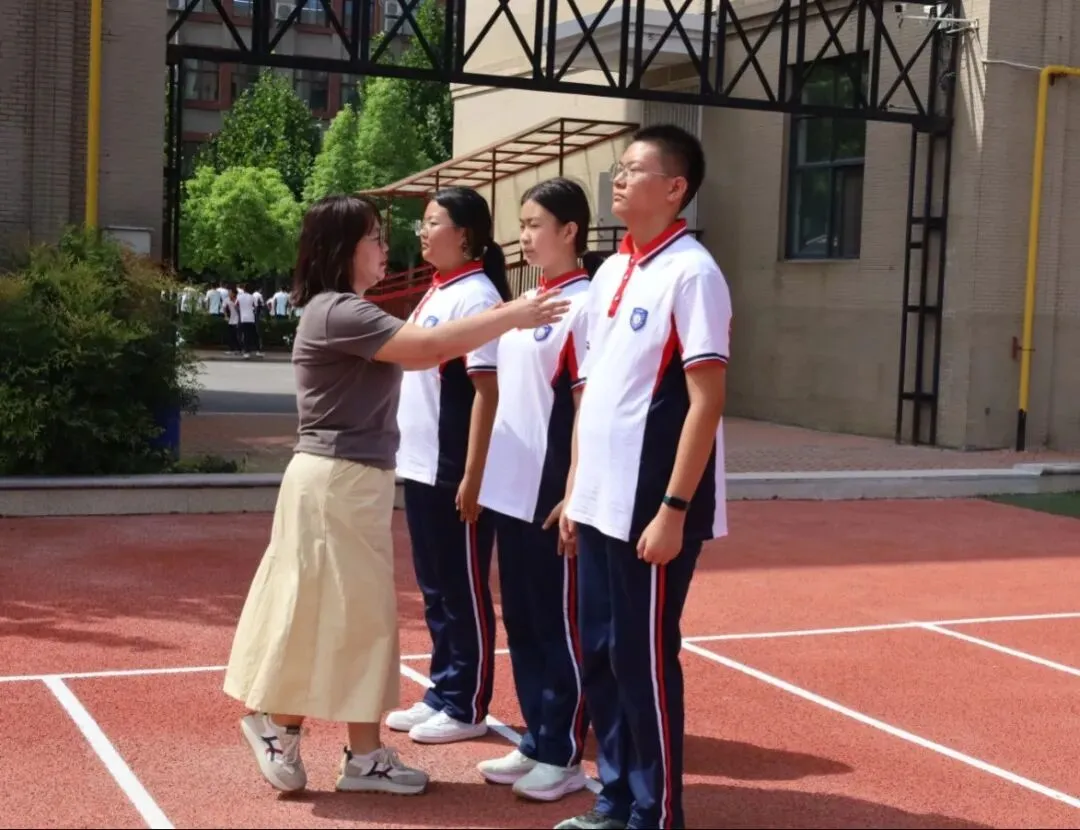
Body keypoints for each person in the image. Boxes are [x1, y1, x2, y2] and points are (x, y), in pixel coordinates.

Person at [222, 194, 571, 798]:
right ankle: (281, 722)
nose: (388, 247)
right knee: (332, 612)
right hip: (336, 480)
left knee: (356, 617)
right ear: (344, 248)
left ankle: (357, 752)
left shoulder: (348, 309)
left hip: (348, 480)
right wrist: (513, 314)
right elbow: (427, 350)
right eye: (375, 238)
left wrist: (499, 315)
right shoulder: (340, 312)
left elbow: (430, 349)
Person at [555, 125, 732, 830]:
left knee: (644, 658)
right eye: (619, 168)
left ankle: (657, 814)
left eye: (634, 169)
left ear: (675, 187)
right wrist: (575, 490)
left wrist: (674, 508)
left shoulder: (693, 273)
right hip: (601, 500)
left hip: (650, 505)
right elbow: (592, 392)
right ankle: (617, 798)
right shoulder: (611, 271)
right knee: (601, 653)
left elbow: (707, 400)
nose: (619, 180)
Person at [473, 178, 603, 802]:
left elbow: (585, 407)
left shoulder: (585, 305)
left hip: (549, 493)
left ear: (569, 230)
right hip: (509, 489)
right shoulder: (527, 304)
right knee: (522, 621)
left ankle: (564, 754)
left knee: (558, 624)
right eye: (521, 225)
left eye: (534, 225)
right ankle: (537, 737)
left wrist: (575, 486)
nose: (523, 237)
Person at [384, 186, 510, 745]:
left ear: (464, 234)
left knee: (462, 588)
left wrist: (474, 474)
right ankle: (443, 688)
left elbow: (488, 391)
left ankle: (466, 703)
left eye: (433, 222)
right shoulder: (439, 289)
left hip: (453, 466)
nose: (423, 231)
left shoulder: (477, 296)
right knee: (435, 587)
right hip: (420, 463)